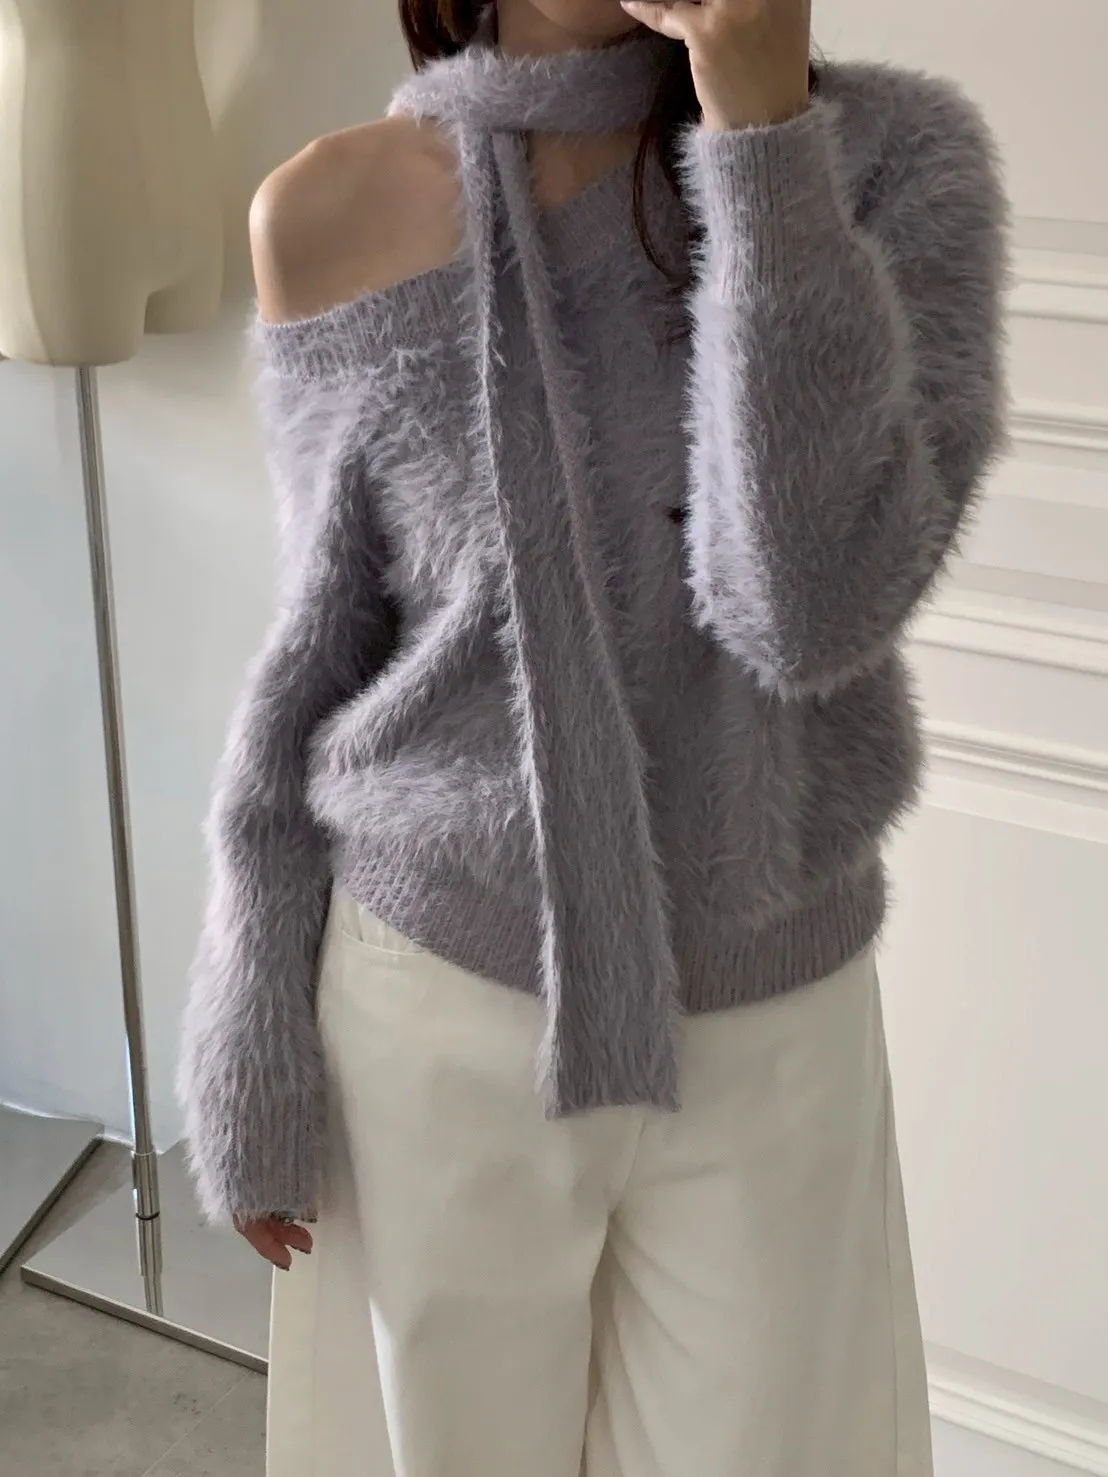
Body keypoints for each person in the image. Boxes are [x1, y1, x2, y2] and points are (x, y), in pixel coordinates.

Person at [177, 1, 1007, 1473]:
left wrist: (762, 137)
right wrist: (250, 1012)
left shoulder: (892, 165)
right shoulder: (327, 209)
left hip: (772, 1031)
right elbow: (324, 648)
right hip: (431, 1016)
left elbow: (806, 612)